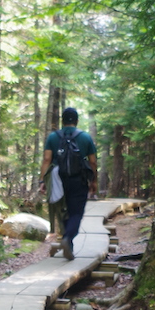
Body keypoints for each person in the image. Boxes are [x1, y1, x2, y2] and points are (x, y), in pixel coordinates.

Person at [39, 107, 98, 259]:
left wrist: (43, 181)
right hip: (79, 180)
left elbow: (46, 160)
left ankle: (68, 244)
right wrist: (93, 181)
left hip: (58, 179)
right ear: (76, 121)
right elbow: (92, 162)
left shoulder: (53, 137)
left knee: (63, 212)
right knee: (76, 213)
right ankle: (68, 239)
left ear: (62, 121)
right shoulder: (85, 138)